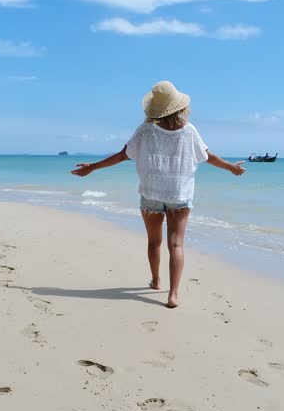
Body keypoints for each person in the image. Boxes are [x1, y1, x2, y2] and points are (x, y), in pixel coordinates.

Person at [71, 81, 246, 308]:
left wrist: (92, 167)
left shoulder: (145, 130)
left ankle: (155, 281)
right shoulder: (189, 131)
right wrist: (231, 168)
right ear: (180, 107)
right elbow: (207, 156)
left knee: (154, 242)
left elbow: (123, 155)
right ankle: (173, 295)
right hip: (179, 195)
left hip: (151, 193)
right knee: (177, 245)